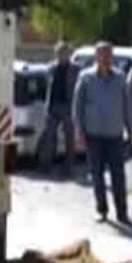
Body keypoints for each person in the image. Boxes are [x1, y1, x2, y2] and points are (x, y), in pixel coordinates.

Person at [73, 41, 132, 226]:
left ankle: (122, 214)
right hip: (93, 136)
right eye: (103, 55)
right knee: (97, 176)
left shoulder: (120, 78)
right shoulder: (85, 77)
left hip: (115, 136)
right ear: (96, 57)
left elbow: (127, 106)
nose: (106, 58)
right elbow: (77, 107)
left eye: (109, 55)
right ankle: (102, 210)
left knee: (118, 176)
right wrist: (79, 133)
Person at [37, 42, 77, 174]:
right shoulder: (51, 68)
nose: (61, 55)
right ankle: (45, 165)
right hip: (53, 107)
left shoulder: (76, 70)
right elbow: (46, 87)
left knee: (69, 138)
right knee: (48, 136)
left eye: (64, 53)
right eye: (59, 53)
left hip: (68, 107)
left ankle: (68, 167)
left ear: (69, 54)